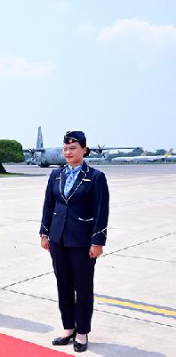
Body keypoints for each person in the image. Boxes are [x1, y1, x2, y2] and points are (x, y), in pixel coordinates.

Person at [40, 131, 109, 353]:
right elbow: (48, 205)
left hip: (82, 242)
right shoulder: (56, 175)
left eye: (73, 148)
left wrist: (97, 241)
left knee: (83, 288)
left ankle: (82, 332)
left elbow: (101, 211)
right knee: (63, 286)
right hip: (58, 240)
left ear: (84, 150)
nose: (68, 152)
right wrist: (44, 233)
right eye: (65, 149)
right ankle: (68, 328)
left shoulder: (95, 177)